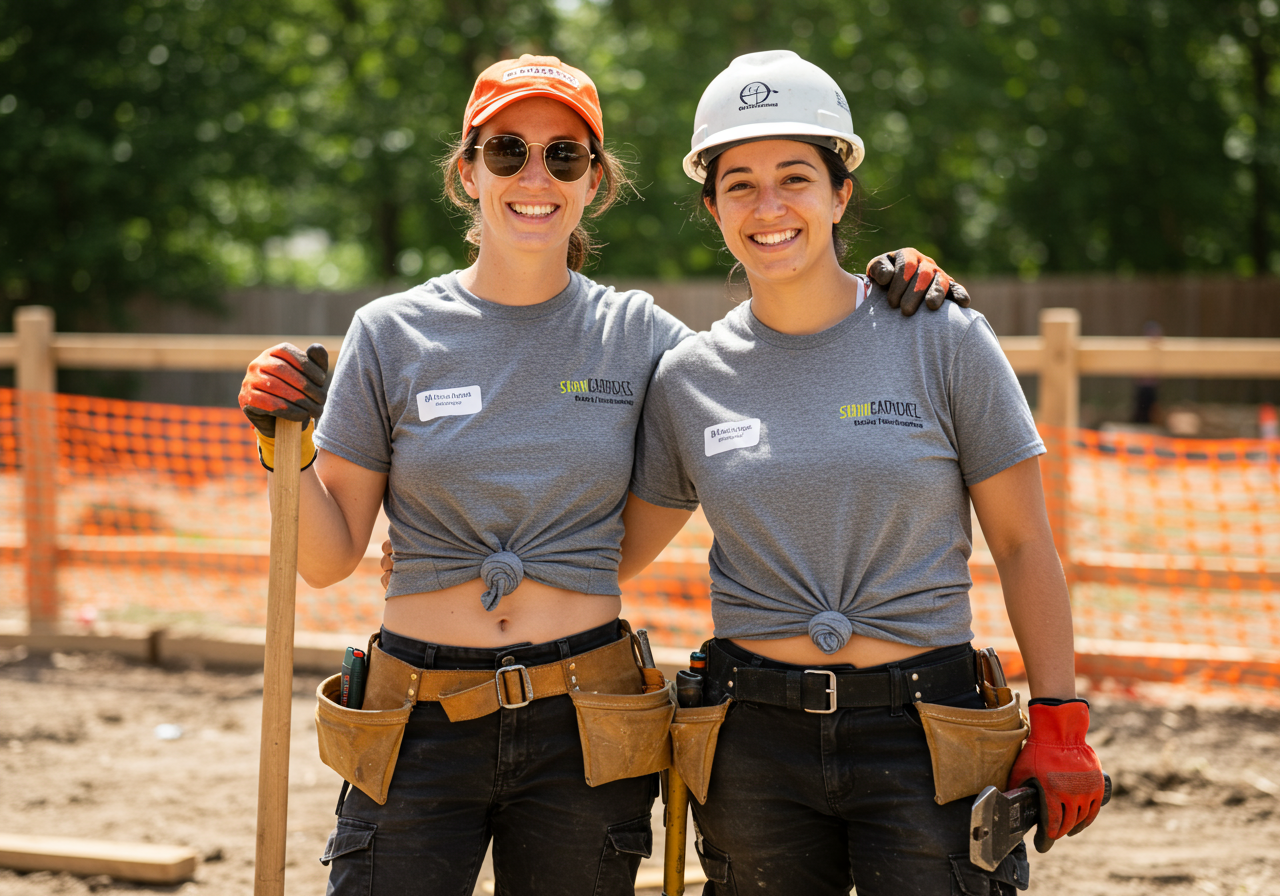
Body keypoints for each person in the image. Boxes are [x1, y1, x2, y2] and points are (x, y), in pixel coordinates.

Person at [239, 54, 966, 896]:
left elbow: (776, 355)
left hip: (586, 724)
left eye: (566, 156)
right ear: (467, 173)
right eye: (507, 151)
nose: (535, 176)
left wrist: (892, 286)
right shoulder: (391, 334)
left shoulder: (644, 338)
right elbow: (326, 559)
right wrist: (280, 451)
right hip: (414, 720)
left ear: (595, 182)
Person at [622, 51, 1107, 895]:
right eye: (739, 183)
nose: (768, 207)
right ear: (712, 206)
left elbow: (1026, 543)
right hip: (751, 742)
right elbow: (614, 551)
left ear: (840, 192)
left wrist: (1060, 718)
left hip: (929, 736)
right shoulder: (687, 378)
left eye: (795, 177)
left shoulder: (943, 338)